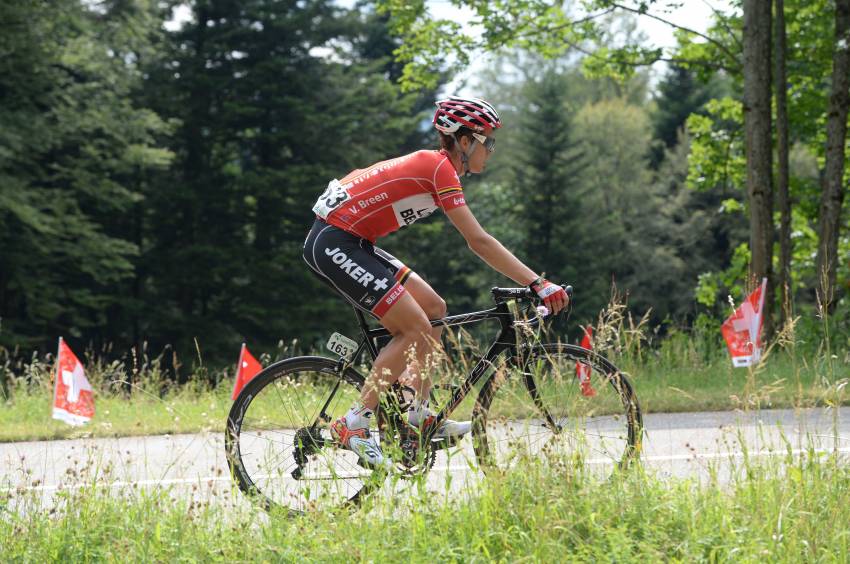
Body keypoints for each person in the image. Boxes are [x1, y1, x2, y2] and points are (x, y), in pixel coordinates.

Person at [303, 96, 570, 469]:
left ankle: (417, 412)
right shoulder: (438, 167)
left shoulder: (435, 166)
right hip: (334, 242)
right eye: (487, 141)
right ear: (464, 141)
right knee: (413, 327)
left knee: (434, 310)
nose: (490, 151)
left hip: (351, 241)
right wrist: (538, 282)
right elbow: (478, 241)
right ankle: (354, 422)